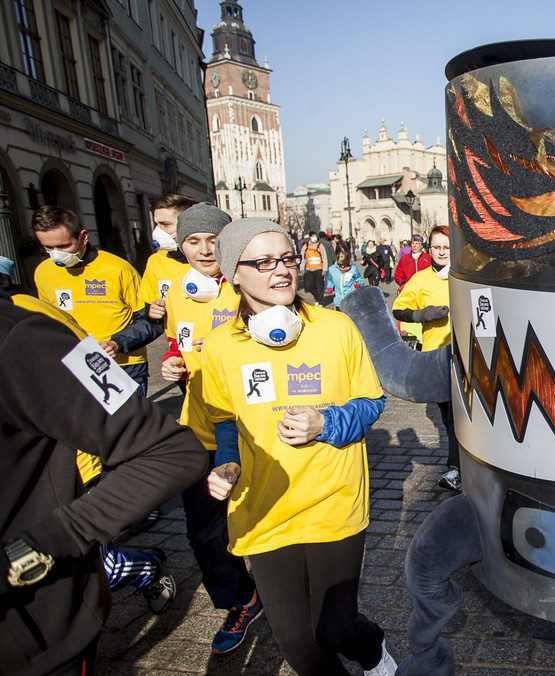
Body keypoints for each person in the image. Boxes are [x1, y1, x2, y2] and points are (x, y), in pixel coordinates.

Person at [202, 218, 397, 675]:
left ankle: (371, 649)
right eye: (264, 261)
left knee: (334, 630)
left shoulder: (335, 328)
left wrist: (326, 422)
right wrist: (227, 465)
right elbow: (224, 420)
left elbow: (372, 403)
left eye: (287, 258)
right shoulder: (219, 346)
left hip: (334, 502)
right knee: (298, 646)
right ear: (234, 273)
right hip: (264, 510)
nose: (283, 270)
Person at [0, 291, 207, 676]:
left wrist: (45, 542)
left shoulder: (25, 335)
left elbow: (172, 449)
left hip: (30, 635)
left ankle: (142, 568)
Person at [158, 203, 264, 654]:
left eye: (211, 240)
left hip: (254, 429)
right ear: (180, 245)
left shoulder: (247, 284)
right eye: (192, 241)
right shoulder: (180, 292)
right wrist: (172, 364)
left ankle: (293, 593)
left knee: (264, 521)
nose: (203, 250)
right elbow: (176, 343)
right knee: (204, 532)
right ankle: (241, 600)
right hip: (198, 430)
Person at [33, 206, 159, 393]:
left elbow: (150, 321)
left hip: (124, 365)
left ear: (83, 237)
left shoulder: (118, 269)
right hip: (75, 365)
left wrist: (118, 343)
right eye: (48, 247)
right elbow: (50, 321)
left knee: (130, 422)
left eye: (64, 246)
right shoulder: (43, 272)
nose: (57, 254)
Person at [392, 225, 458, 490]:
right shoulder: (420, 279)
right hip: (435, 358)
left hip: (469, 354)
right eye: (437, 247)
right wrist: (421, 315)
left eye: (447, 247)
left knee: (459, 415)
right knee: (448, 416)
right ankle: (460, 467)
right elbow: (399, 309)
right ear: (430, 248)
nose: (442, 252)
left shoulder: (467, 275)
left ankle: (457, 469)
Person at [139, 194, 197, 317]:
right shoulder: (156, 261)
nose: (157, 231)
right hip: (175, 335)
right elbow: (149, 308)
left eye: (165, 225)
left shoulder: (211, 260)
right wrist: (153, 315)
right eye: (156, 224)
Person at [299, 232, 329, 302]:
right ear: (310, 237)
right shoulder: (305, 246)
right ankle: (317, 296)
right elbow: (303, 258)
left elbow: (324, 258)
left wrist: (325, 269)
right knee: (309, 286)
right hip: (309, 269)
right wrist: (302, 268)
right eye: (313, 236)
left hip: (319, 269)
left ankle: (319, 301)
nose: (314, 237)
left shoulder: (320, 246)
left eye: (315, 236)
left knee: (319, 287)